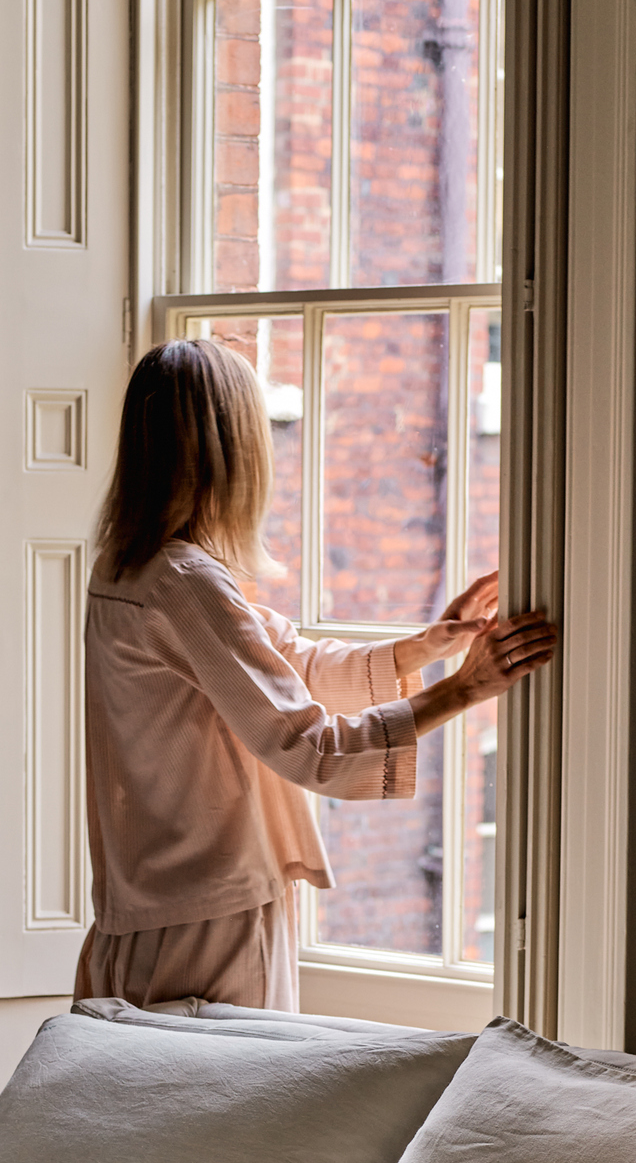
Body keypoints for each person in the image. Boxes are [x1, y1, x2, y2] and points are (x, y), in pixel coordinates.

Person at [76, 337, 559, 1013]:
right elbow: (313, 750)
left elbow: (283, 662)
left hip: (150, 907)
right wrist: (464, 689)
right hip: (206, 919)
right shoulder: (187, 582)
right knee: (232, 1114)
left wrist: (425, 648)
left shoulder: (129, 567)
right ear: (231, 450)